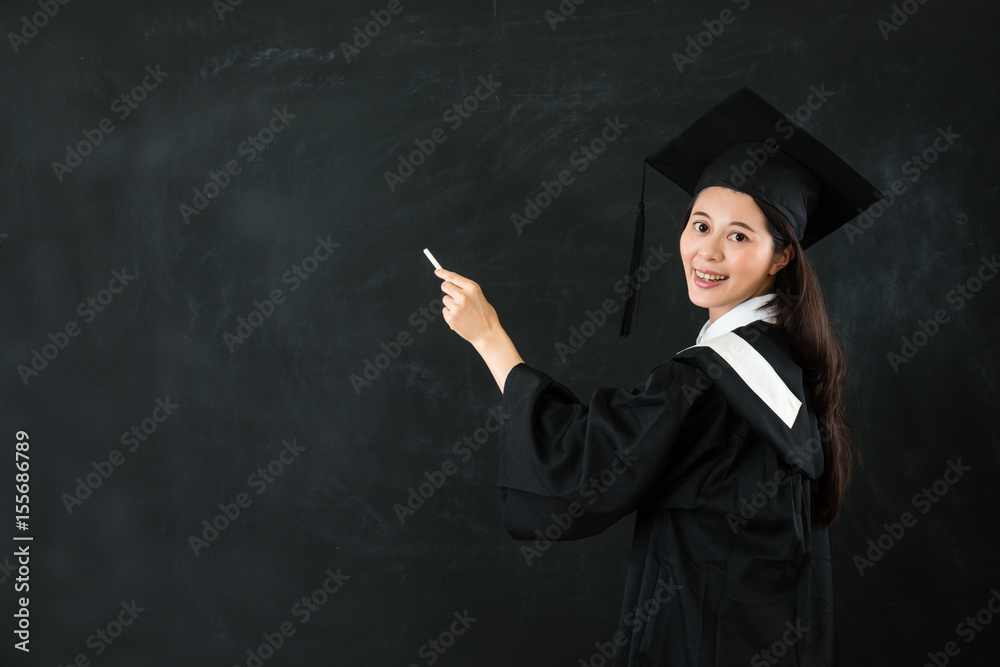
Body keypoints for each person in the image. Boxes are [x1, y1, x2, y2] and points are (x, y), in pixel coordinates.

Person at [432, 88, 882, 666]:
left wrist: (489, 337)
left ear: (782, 256)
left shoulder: (711, 386)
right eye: (700, 225)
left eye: (739, 235)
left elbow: (578, 464)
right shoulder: (787, 367)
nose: (707, 252)